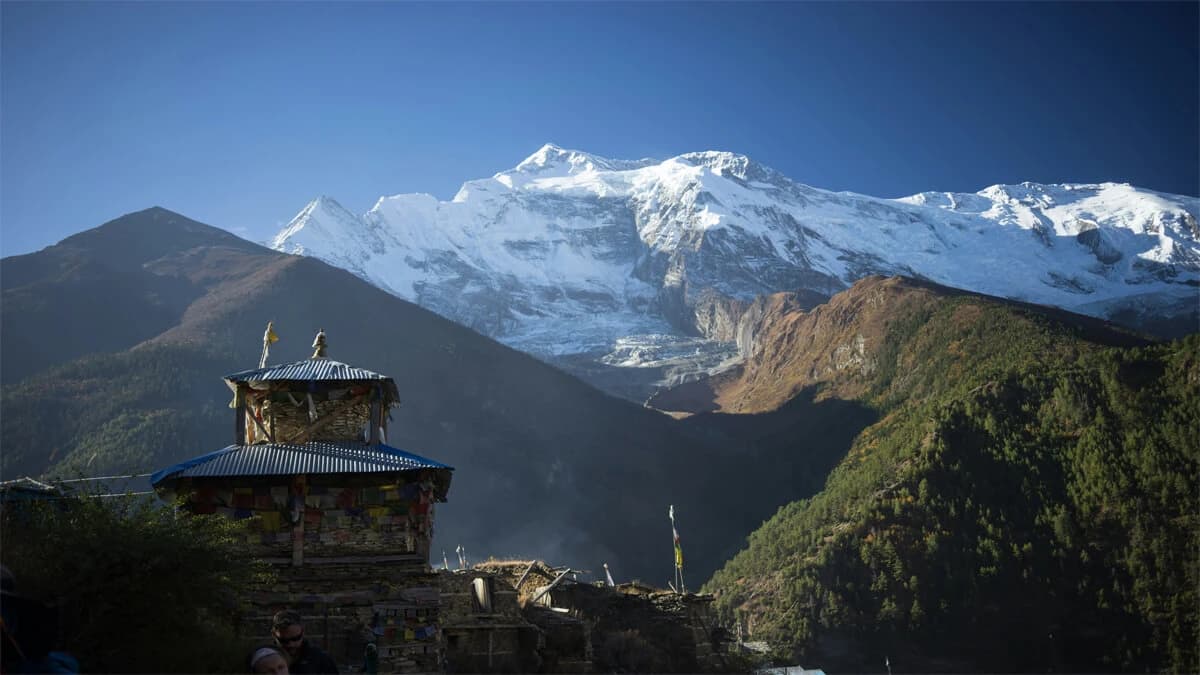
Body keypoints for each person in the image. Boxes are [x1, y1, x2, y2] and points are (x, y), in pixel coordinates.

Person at [271, 610, 339, 674]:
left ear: (303, 632)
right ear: (273, 635)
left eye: (296, 638)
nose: (291, 644)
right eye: (284, 640)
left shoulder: (321, 659)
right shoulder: (265, 661)